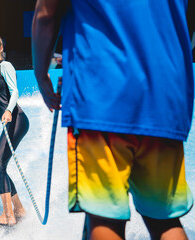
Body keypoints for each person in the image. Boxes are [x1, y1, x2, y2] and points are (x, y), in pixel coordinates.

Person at [32, 0, 194, 239]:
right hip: (166, 95)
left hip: (102, 92)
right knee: (165, 220)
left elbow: (46, 12)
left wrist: (41, 73)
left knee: (104, 217)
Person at [0, 33, 29, 225]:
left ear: (1, 48)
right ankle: (19, 210)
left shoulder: (6, 66)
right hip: (11, 120)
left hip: (17, 119)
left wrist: (9, 111)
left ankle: (8, 216)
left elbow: (15, 91)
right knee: (0, 167)